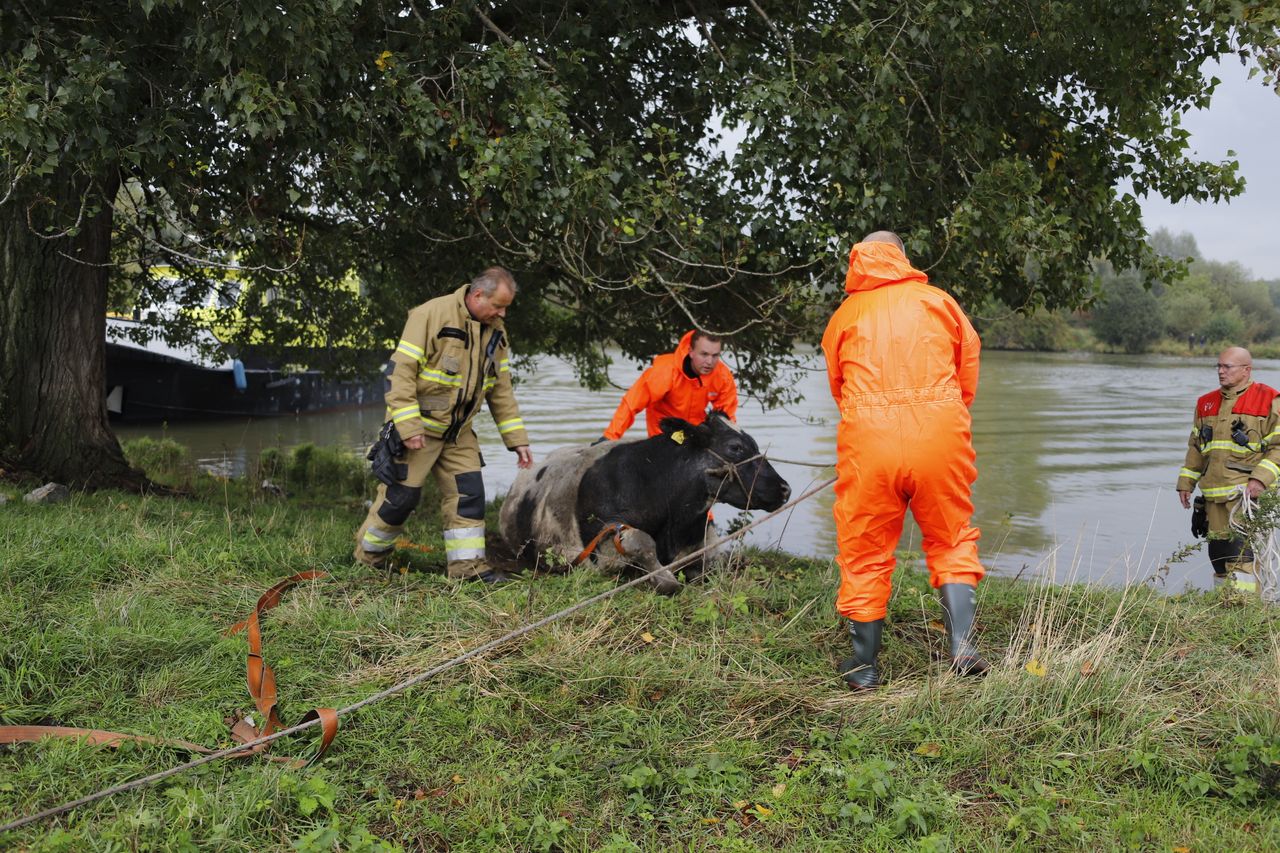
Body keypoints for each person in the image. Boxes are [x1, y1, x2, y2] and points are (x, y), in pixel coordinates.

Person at [821, 230, 989, 689]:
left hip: (869, 444)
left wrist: (866, 422)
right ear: (902, 257)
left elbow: (838, 386)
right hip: (939, 435)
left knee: (864, 550)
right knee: (951, 536)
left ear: (858, 259)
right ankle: (961, 644)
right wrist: (948, 414)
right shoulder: (939, 302)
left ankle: (864, 668)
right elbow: (968, 367)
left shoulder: (844, 316)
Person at [353, 267, 534, 583]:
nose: (502, 314)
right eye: (498, 306)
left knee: (469, 497)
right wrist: (409, 428)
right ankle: (368, 559)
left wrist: (517, 439)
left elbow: (501, 390)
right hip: (419, 429)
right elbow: (401, 373)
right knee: (400, 500)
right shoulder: (430, 315)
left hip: (459, 433)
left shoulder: (497, 333)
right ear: (478, 295)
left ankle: (468, 570)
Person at [1176, 346, 1280, 586]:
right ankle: (1224, 606)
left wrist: (1259, 479)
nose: (1220, 371)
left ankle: (1244, 608)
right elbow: (1196, 447)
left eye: (1227, 367)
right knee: (1219, 557)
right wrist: (1186, 483)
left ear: (1246, 370)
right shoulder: (1205, 403)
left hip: (1247, 497)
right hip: (1213, 497)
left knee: (1241, 558)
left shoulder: (1268, 400)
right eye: (1219, 366)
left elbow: (1278, 447)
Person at [600, 330, 738, 441]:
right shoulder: (665, 372)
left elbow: (728, 417)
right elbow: (631, 404)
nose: (709, 362)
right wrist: (610, 436)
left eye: (715, 355)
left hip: (696, 434)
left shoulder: (722, 376)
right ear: (691, 351)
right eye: (704, 354)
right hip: (664, 434)